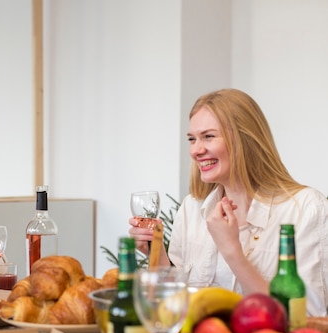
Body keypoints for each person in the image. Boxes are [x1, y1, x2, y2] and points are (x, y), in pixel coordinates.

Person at [129, 88, 328, 316]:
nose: (196, 150)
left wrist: (231, 250)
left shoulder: (306, 209)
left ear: (244, 138)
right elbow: (174, 308)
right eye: (192, 139)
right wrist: (158, 255)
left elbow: (309, 320)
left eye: (208, 136)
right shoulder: (191, 208)